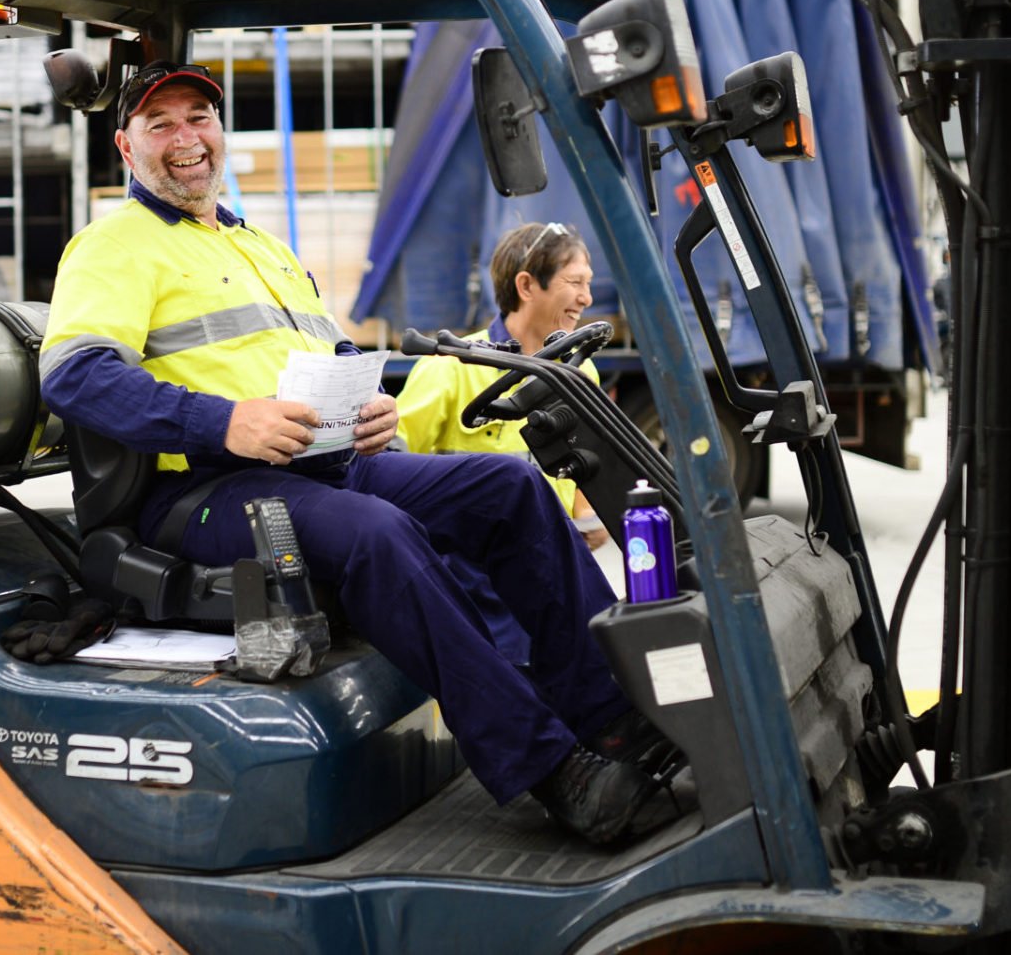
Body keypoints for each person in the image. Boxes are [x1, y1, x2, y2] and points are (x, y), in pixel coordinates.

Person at [38, 61, 665, 844]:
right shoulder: (111, 246)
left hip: (323, 460)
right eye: (160, 125)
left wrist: (370, 407)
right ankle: (548, 767)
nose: (185, 138)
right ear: (128, 151)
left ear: (220, 134)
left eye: (198, 117)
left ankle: (606, 718)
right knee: (376, 531)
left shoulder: (257, 242)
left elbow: (327, 347)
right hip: (204, 489)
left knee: (506, 485)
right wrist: (222, 422)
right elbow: (75, 377)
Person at [396, 221, 610, 552]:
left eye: (589, 283)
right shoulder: (449, 368)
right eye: (575, 282)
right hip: (467, 565)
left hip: (552, 555)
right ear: (526, 286)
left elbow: (587, 459)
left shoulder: (581, 372)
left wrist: (586, 513)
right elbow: (392, 464)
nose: (587, 298)